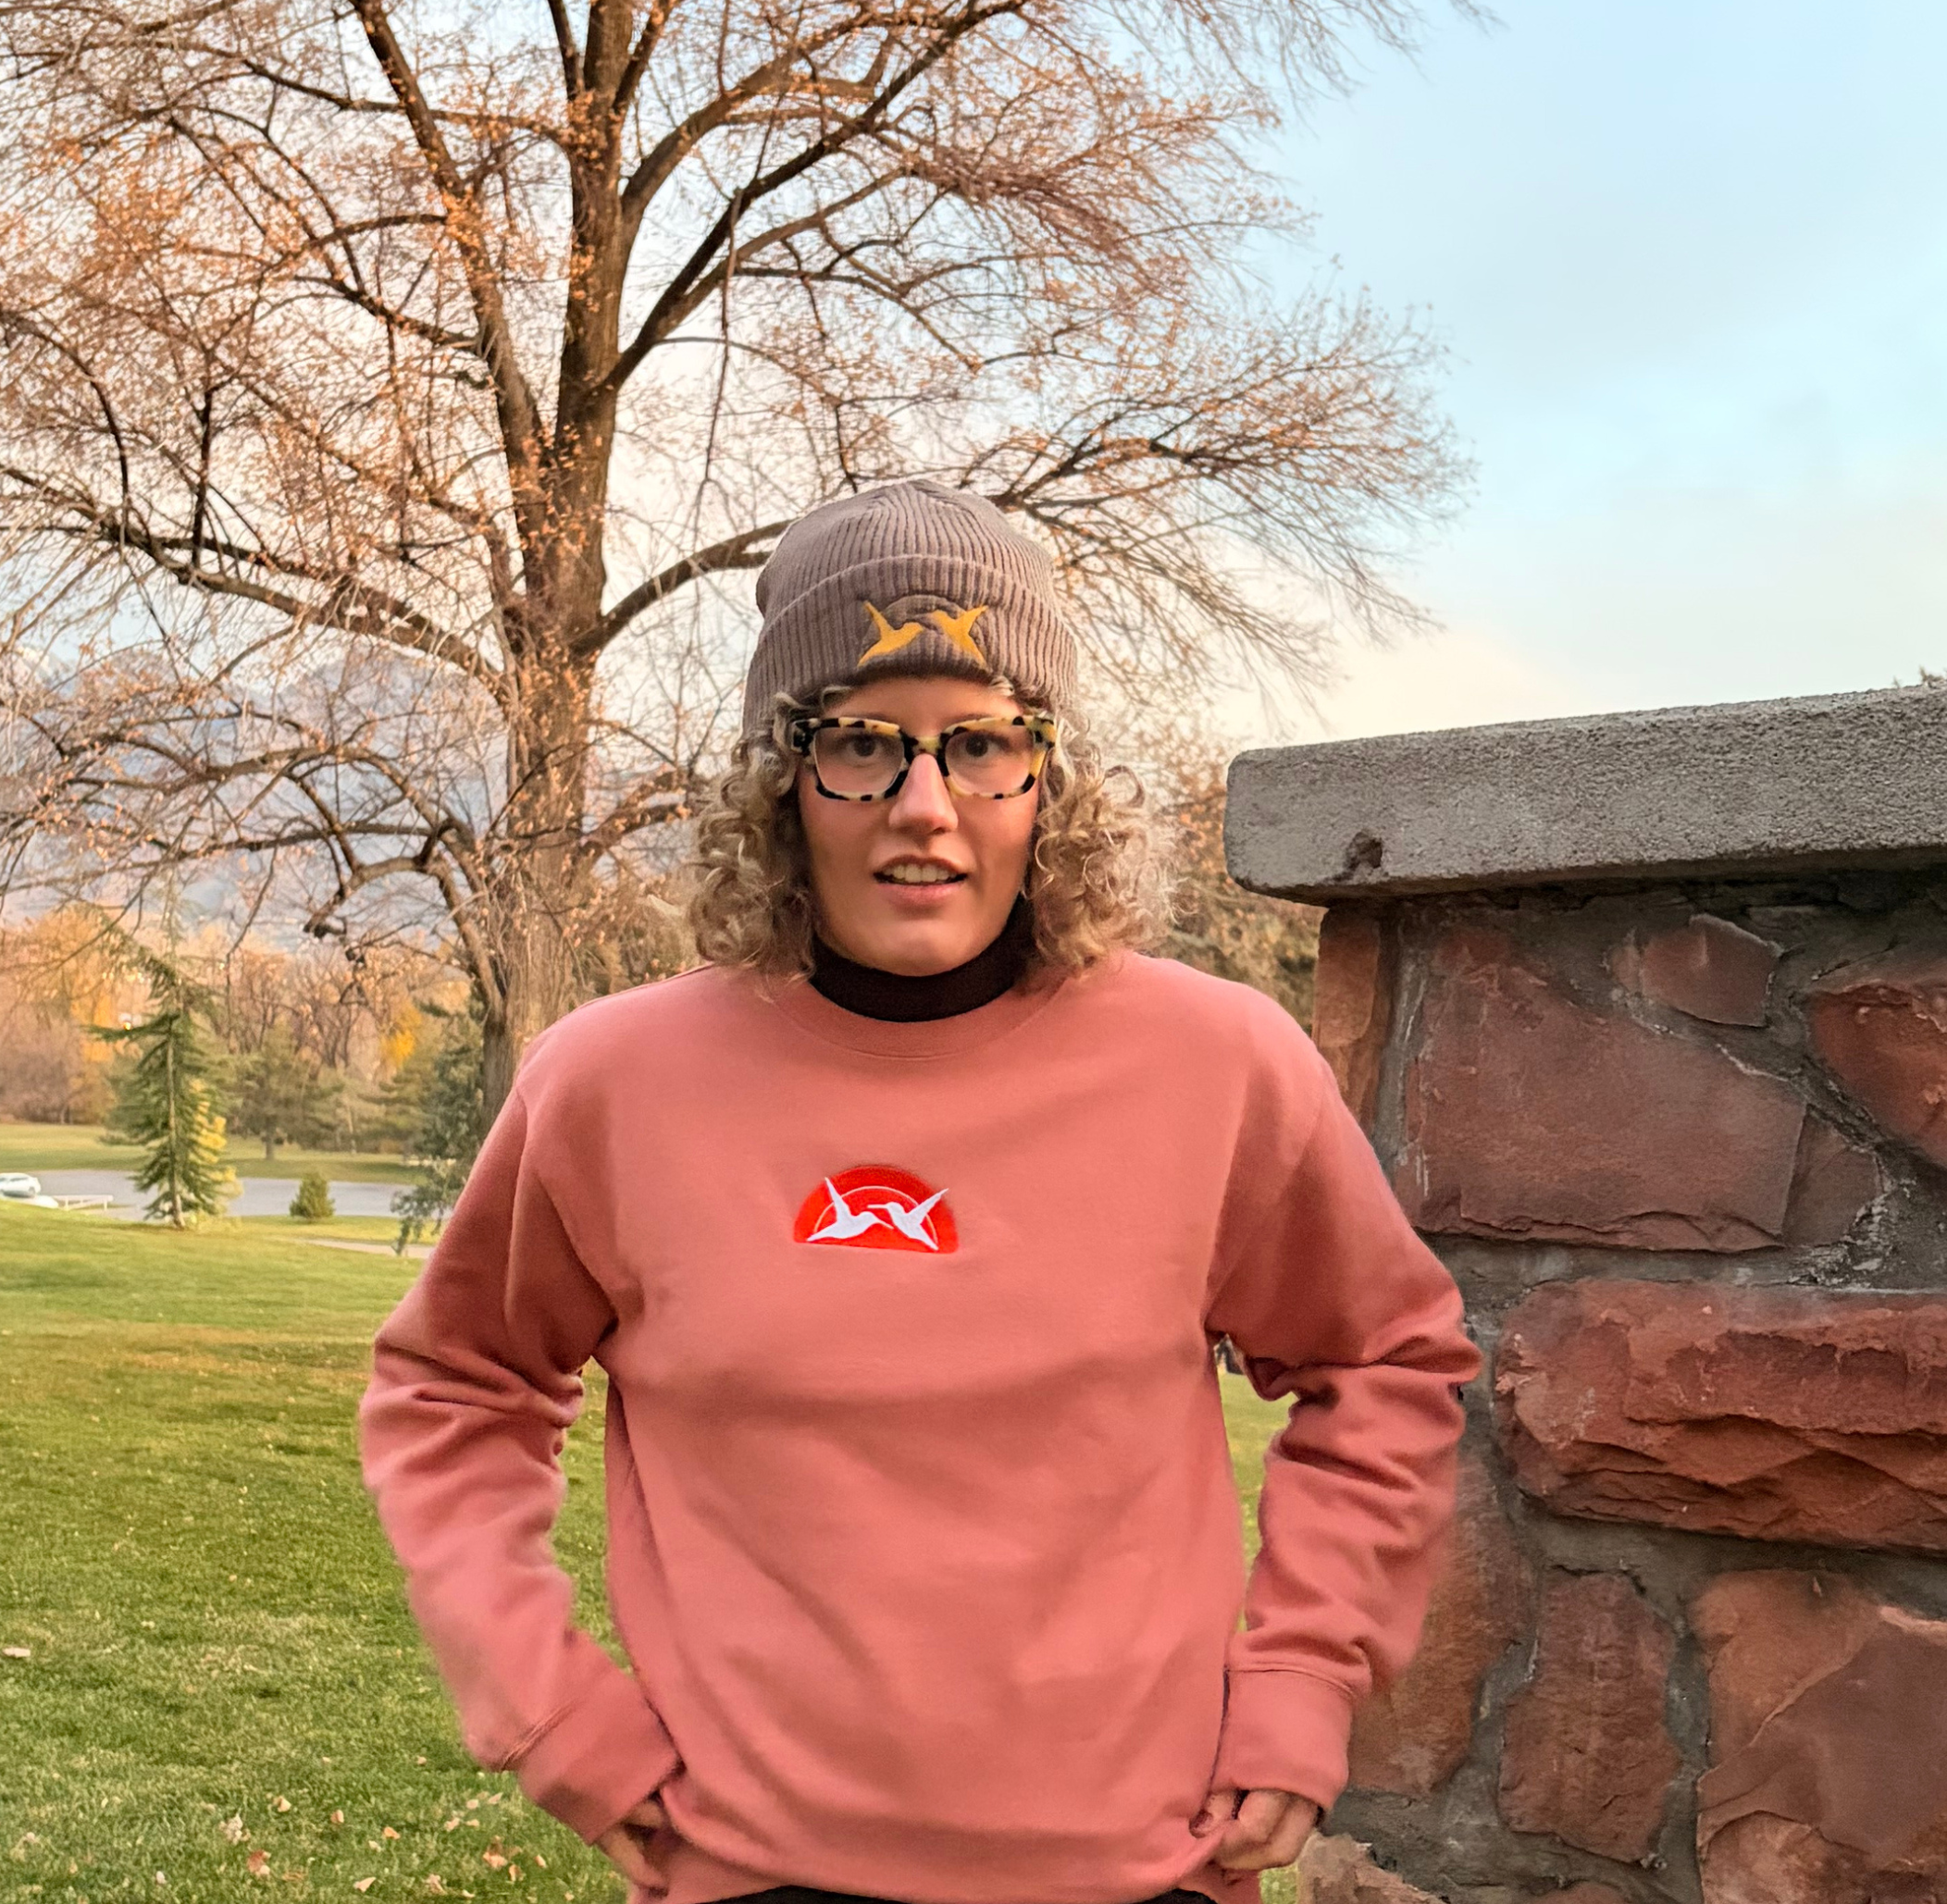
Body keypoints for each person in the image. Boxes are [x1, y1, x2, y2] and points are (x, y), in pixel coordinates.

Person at [360, 482, 1477, 1904]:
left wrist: (1310, 1671)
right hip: (745, 1867)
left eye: (984, 744)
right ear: (781, 776)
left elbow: (1385, 1358)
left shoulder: (1218, 1067)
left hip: (1140, 1872)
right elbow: (454, 1390)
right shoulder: (610, 1084)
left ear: (1049, 778)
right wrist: (544, 1706)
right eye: (862, 746)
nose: (925, 808)